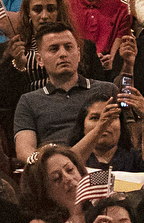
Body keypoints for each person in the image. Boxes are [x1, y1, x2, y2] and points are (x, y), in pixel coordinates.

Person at [13, 24, 117, 161]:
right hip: (53, 172)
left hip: (103, 166)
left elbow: (128, 142)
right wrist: (47, 162)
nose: (63, 54)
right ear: (40, 60)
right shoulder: (28, 101)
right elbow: (24, 152)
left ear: (79, 54)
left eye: (68, 47)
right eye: (54, 49)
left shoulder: (107, 90)